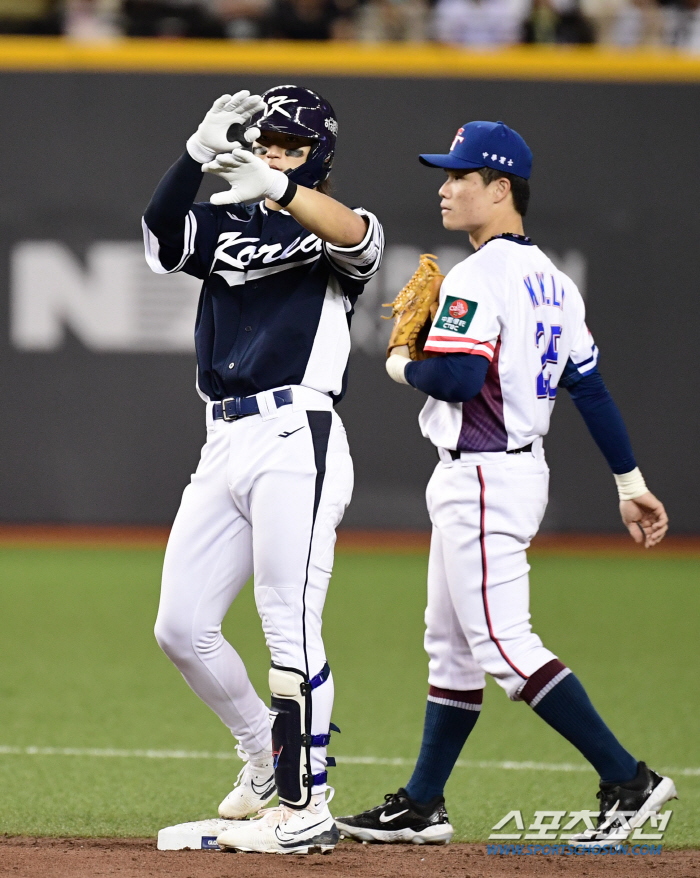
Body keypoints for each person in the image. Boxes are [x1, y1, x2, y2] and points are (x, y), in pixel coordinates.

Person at [336, 120, 675, 846]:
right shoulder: (554, 280)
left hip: (485, 475)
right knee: (452, 646)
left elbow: (456, 377)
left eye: (460, 176)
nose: (444, 187)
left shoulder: (476, 276)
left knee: (503, 646)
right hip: (510, 469)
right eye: (446, 173)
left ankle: (628, 779)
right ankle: (423, 804)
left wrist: (400, 363)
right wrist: (629, 482)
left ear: (501, 189)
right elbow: (592, 389)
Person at [143, 85, 384, 854]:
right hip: (223, 440)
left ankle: (308, 804)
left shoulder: (332, 225)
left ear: (319, 155)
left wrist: (283, 189)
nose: (275, 152)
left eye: (291, 145)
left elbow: (359, 239)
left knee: (287, 619)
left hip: (295, 432)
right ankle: (264, 762)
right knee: (179, 626)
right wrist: (191, 156)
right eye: (266, 141)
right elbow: (159, 238)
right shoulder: (226, 223)